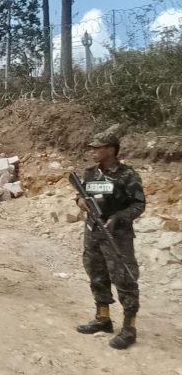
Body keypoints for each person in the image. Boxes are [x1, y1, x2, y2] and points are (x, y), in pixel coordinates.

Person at [75, 126, 145, 350]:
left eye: (98, 148)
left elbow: (138, 204)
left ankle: (129, 328)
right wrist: (80, 201)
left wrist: (118, 217)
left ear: (111, 150)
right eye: (92, 148)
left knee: (124, 280)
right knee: (96, 275)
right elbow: (81, 193)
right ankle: (103, 318)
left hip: (117, 237)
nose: (93, 151)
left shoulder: (127, 175)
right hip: (93, 233)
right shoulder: (90, 173)